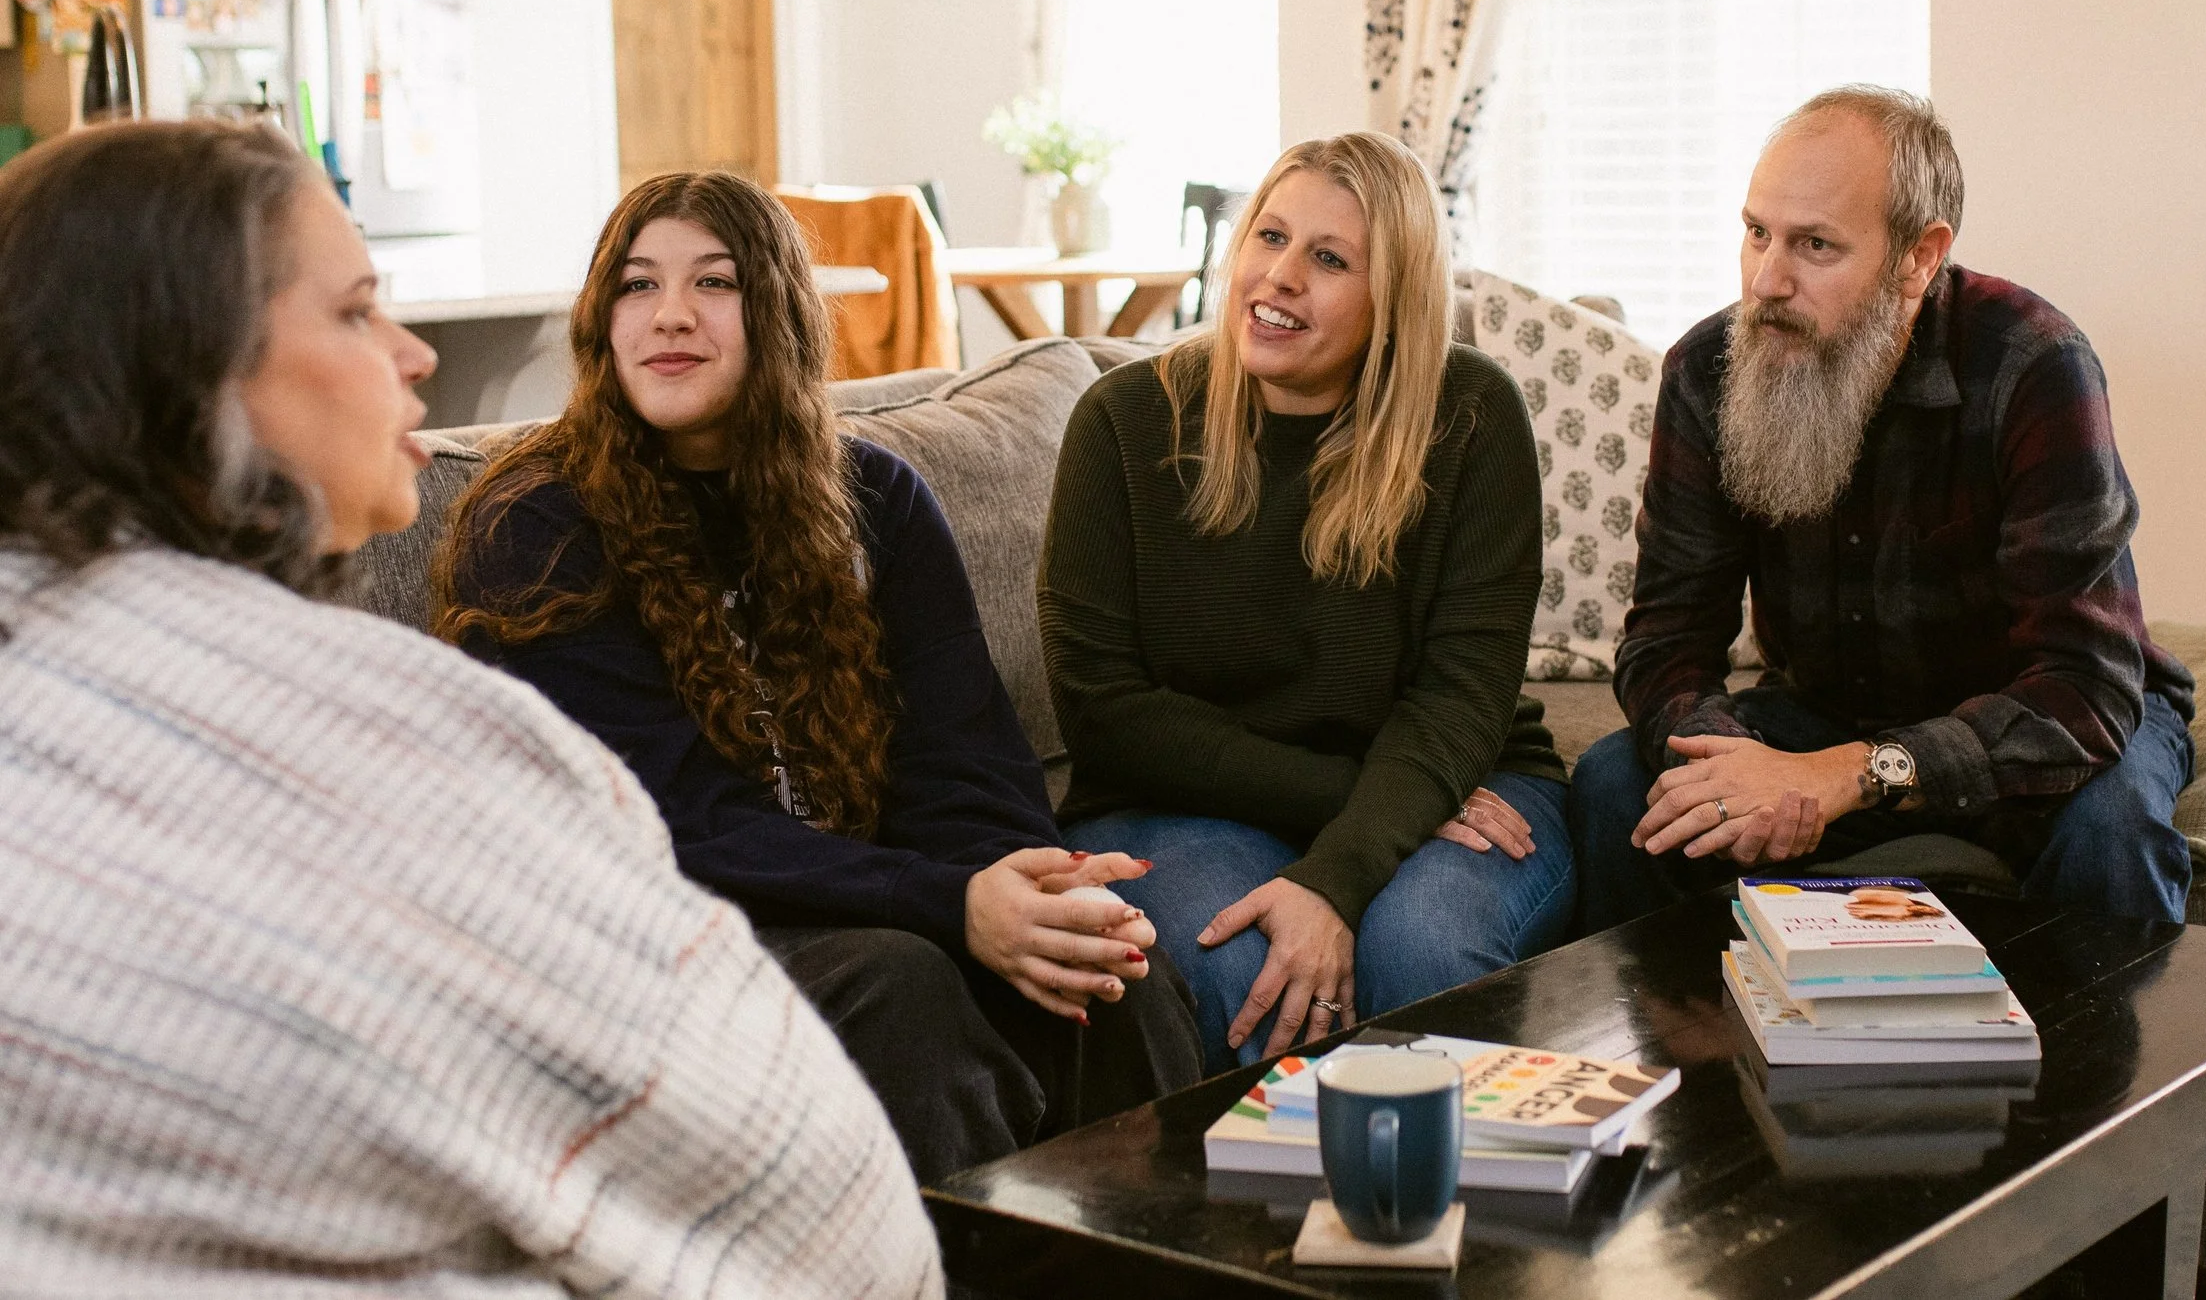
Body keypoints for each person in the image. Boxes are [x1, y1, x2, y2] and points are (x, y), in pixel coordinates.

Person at [0, 122, 939, 1296]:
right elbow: (833, 1214)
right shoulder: (410, 746)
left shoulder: (874, 499)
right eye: (354, 311)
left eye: (716, 284)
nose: (414, 353)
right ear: (179, 369)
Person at [437, 171, 1198, 1183]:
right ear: (600, 320)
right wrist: (951, 899)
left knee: (1112, 969)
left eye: (715, 282)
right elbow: (675, 825)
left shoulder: (874, 496)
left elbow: (967, 759)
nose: (670, 314)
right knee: (903, 984)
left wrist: (1030, 897)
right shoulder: (539, 524)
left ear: (780, 314)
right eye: (636, 284)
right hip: (647, 934)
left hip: (866, 898)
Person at [1569, 86, 2199, 931]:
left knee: (2112, 834)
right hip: (1827, 708)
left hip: (2036, 721)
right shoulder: (1705, 372)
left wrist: (1848, 774)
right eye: (1756, 232)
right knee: (1621, 787)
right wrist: (1735, 764)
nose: (1767, 280)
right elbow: (1666, 641)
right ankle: (1697, 1054)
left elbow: (2086, 686)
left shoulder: (2035, 366)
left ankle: (2104, 1066)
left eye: (1815, 245)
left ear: (1919, 257)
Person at [1042, 131, 1575, 1072]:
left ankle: (1466, 1216)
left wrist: (1340, 866)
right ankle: (1270, 1221)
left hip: (1449, 778)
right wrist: (1349, 816)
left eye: (1329, 259)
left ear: (1394, 299)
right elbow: (1106, 714)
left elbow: (1460, 694)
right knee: (1251, 970)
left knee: (1425, 952)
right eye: (1269, 237)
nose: (1280, 277)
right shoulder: (1124, 422)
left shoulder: (1471, 416)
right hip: (1178, 801)